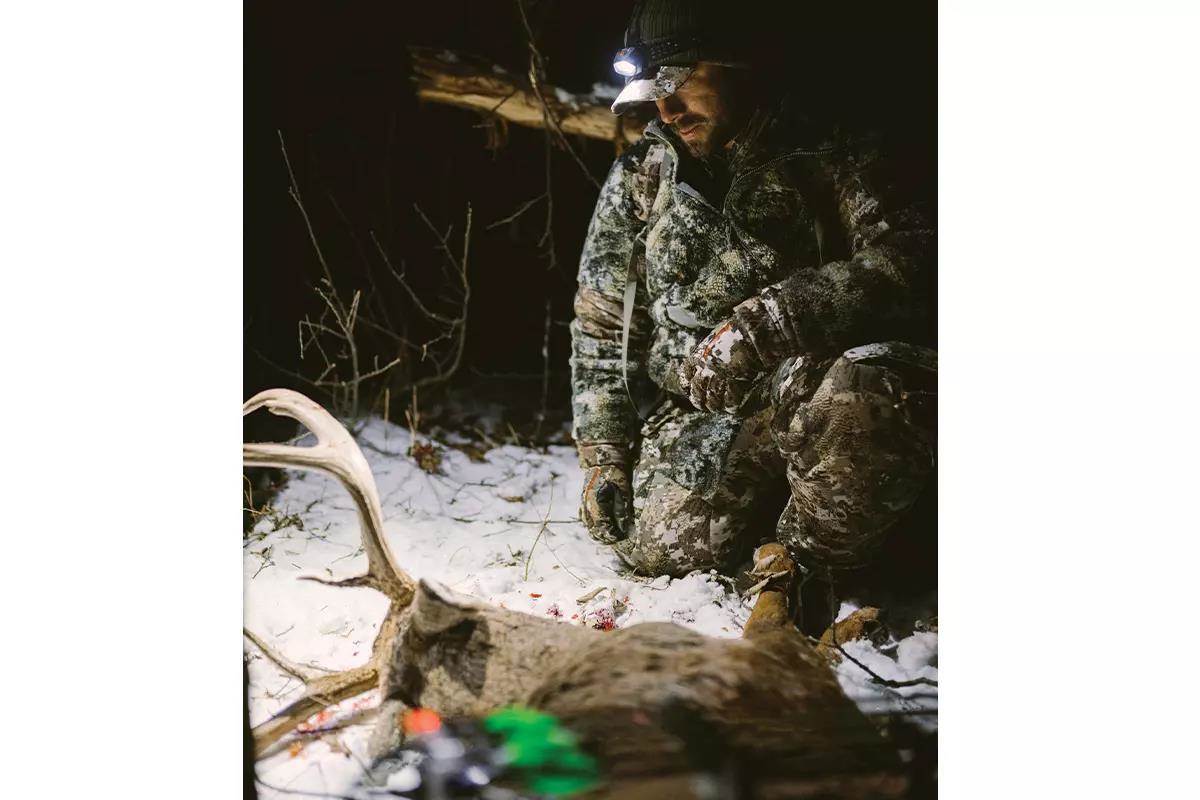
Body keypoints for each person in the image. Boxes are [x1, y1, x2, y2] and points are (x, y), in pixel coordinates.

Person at [570, 0, 936, 624]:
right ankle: (793, 518)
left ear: (734, 63)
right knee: (646, 539)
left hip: (814, 391)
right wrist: (605, 452)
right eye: (652, 94)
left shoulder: (833, 143)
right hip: (705, 415)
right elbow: (602, 324)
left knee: (877, 393)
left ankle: (806, 565)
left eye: (679, 84)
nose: (665, 109)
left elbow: (913, 258)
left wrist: (771, 322)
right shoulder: (645, 172)